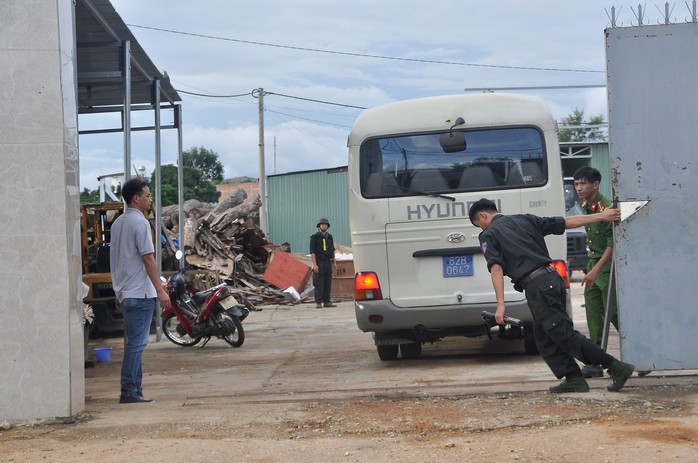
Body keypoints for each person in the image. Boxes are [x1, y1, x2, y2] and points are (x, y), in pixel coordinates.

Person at [468, 198, 635, 393]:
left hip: (537, 285)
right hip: (552, 279)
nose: (481, 229)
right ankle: (573, 377)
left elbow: (496, 267)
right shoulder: (525, 219)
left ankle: (614, 366)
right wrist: (601, 216)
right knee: (544, 336)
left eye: (478, 225)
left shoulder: (489, 234)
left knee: (562, 332)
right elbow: (565, 223)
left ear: (482, 216)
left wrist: (501, 305)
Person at [110, 178, 171, 404]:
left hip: (126, 293)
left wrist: (119, 291)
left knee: (132, 344)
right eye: (147, 195)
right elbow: (148, 258)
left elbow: (116, 261)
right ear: (136, 198)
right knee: (136, 345)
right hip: (140, 293)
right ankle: (129, 391)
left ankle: (134, 389)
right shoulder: (141, 224)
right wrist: (160, 289)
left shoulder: (117, 224)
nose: (150, 199)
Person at [573, 167, 617, 378]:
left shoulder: (606, 207)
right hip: (594, 266)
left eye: (583, 184)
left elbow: (612, 244)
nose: (579, 188)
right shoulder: (586, 207)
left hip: (606, 269)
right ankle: (595, 362)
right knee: (594, 316)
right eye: (576, 184)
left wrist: (597, 270)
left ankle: (641, 355)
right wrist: (591, 270)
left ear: (595, 185)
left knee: (616, 314)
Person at [310, 217, 337, 308]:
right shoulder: (314, 237)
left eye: (325, 225)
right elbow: (312, 252)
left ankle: (327, 301)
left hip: (327, 262)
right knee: (319, 283)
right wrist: (315, 265)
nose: (324, 226)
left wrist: (334, 262)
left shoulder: (330, 237)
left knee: (327, 282)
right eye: (322, 224)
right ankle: (318, 302)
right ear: (319, 226)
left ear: (328, 226)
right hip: (319, 262)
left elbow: (332, 250)